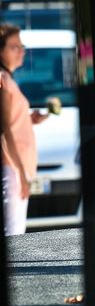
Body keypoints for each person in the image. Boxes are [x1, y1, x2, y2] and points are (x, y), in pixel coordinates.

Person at [0, 23, 48, 235]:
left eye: (21, 46)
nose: (21, 51)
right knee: (12, 233)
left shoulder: (7, 79)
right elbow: (3, 130)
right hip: (9, 169)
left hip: (13, 168)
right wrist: (19, 173)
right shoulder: (2, 80)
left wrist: (29, 119)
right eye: (14, 46)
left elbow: (10, 121)